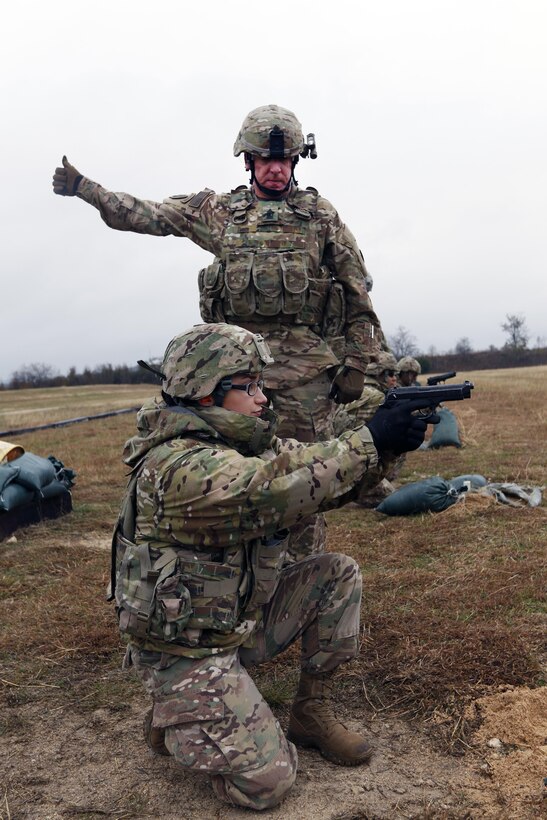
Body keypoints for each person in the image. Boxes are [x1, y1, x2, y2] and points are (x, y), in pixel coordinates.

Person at [110, 322, 436, 811]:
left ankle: (310, 713)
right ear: (204, 392)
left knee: (336, 574)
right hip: (185, 650)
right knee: (268, 783)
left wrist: (384, 449)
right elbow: (273, 488)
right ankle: (175, 713)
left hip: (230, 622)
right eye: (250, 386)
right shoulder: (178, 465)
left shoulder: (242, 444)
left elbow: (311, 469)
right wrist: (368, 440)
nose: (263, 398)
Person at [53, 103, 384, 562]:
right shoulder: (221, 213)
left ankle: (306, 582)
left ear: (295, 162)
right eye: (265, 160)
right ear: (248, 162)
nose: (274, 169)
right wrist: (88, 190)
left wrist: (356, 363)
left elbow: (358, 296)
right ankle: (241, 589)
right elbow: (149, 215)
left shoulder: (320, 218)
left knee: (308, 481)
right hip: (235, 380)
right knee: (234, 484)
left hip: (306, 381)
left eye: (284, 160)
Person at [333, 351, 403, 506]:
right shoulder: (378, 398)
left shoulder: (355, 390)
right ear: (380, 374)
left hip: (337, 455)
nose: (395, 378)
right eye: (390, 374)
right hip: (356, 461)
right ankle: (365, 491)